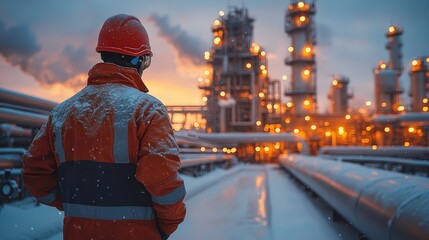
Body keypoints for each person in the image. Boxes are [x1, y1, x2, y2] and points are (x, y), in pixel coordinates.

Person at [22, 14, 186, 240]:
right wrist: (166, 225)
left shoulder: (62, 113)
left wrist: (74, 204)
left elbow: (34, 173)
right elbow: (164, 180)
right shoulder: (148, 110)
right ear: (139, 60)